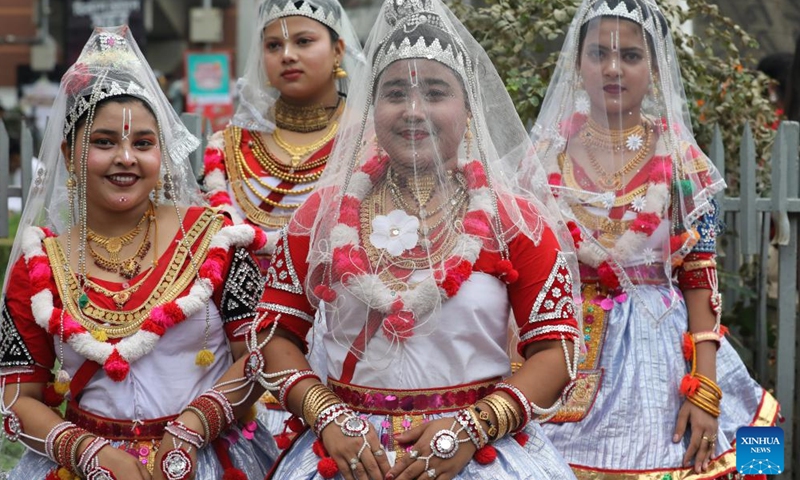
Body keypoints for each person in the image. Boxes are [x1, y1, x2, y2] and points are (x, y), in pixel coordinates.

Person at [158, 0, 585, 478]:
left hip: (478, 451)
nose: (412, 110)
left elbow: (558, 351)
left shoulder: (515, 221)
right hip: (346, 454)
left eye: (436, 92)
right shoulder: (319, 217)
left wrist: (472, 427)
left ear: (469, 110)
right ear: (372, 106)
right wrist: (327, 415)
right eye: (395, 92)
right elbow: (272, 335)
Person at [0, 26, 276, 479]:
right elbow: (17, 397)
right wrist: (91, 453)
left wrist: (192, 427)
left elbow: (262, 353)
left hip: (206, 457)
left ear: (161, 153)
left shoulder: (213, 238)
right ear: (70, 156)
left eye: (143, 144)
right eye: (105, 142)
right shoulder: (41, 264)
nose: (126, 158)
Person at [530, 0, 779, 477]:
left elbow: (700, 271)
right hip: (564, 350)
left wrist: (705, 388)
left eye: (630, 56)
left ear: (655, 66)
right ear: (576, 63)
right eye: (598, 53)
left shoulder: (683, 161)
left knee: (735, 457)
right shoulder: (543, 158)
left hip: (664, 351)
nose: (612, 68)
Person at [203, 0, 363, 271]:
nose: (287, 55)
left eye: (303, 41)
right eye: (274, 45)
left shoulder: (369, 136)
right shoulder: (232, 143)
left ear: (338, 50)